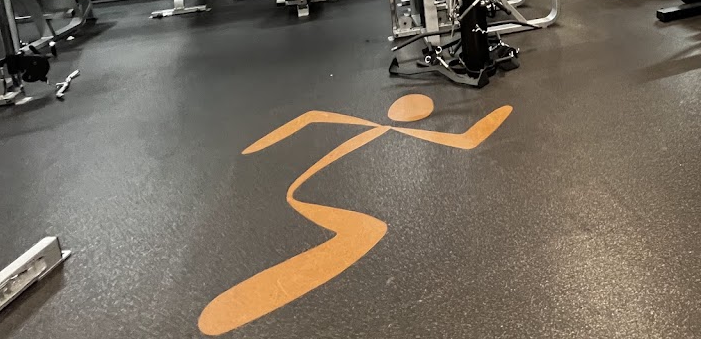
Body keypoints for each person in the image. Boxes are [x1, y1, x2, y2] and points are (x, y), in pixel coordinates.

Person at [198, 94, 512, 336]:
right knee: (362, 230)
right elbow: (466, 139)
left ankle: (253, 297)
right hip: (318, 194)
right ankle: (255, 296)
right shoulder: (384, 130)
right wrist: (499, 111)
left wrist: (260, 144)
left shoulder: (363, 126)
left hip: (308, 190)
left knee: (357, 230)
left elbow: (311, 117)